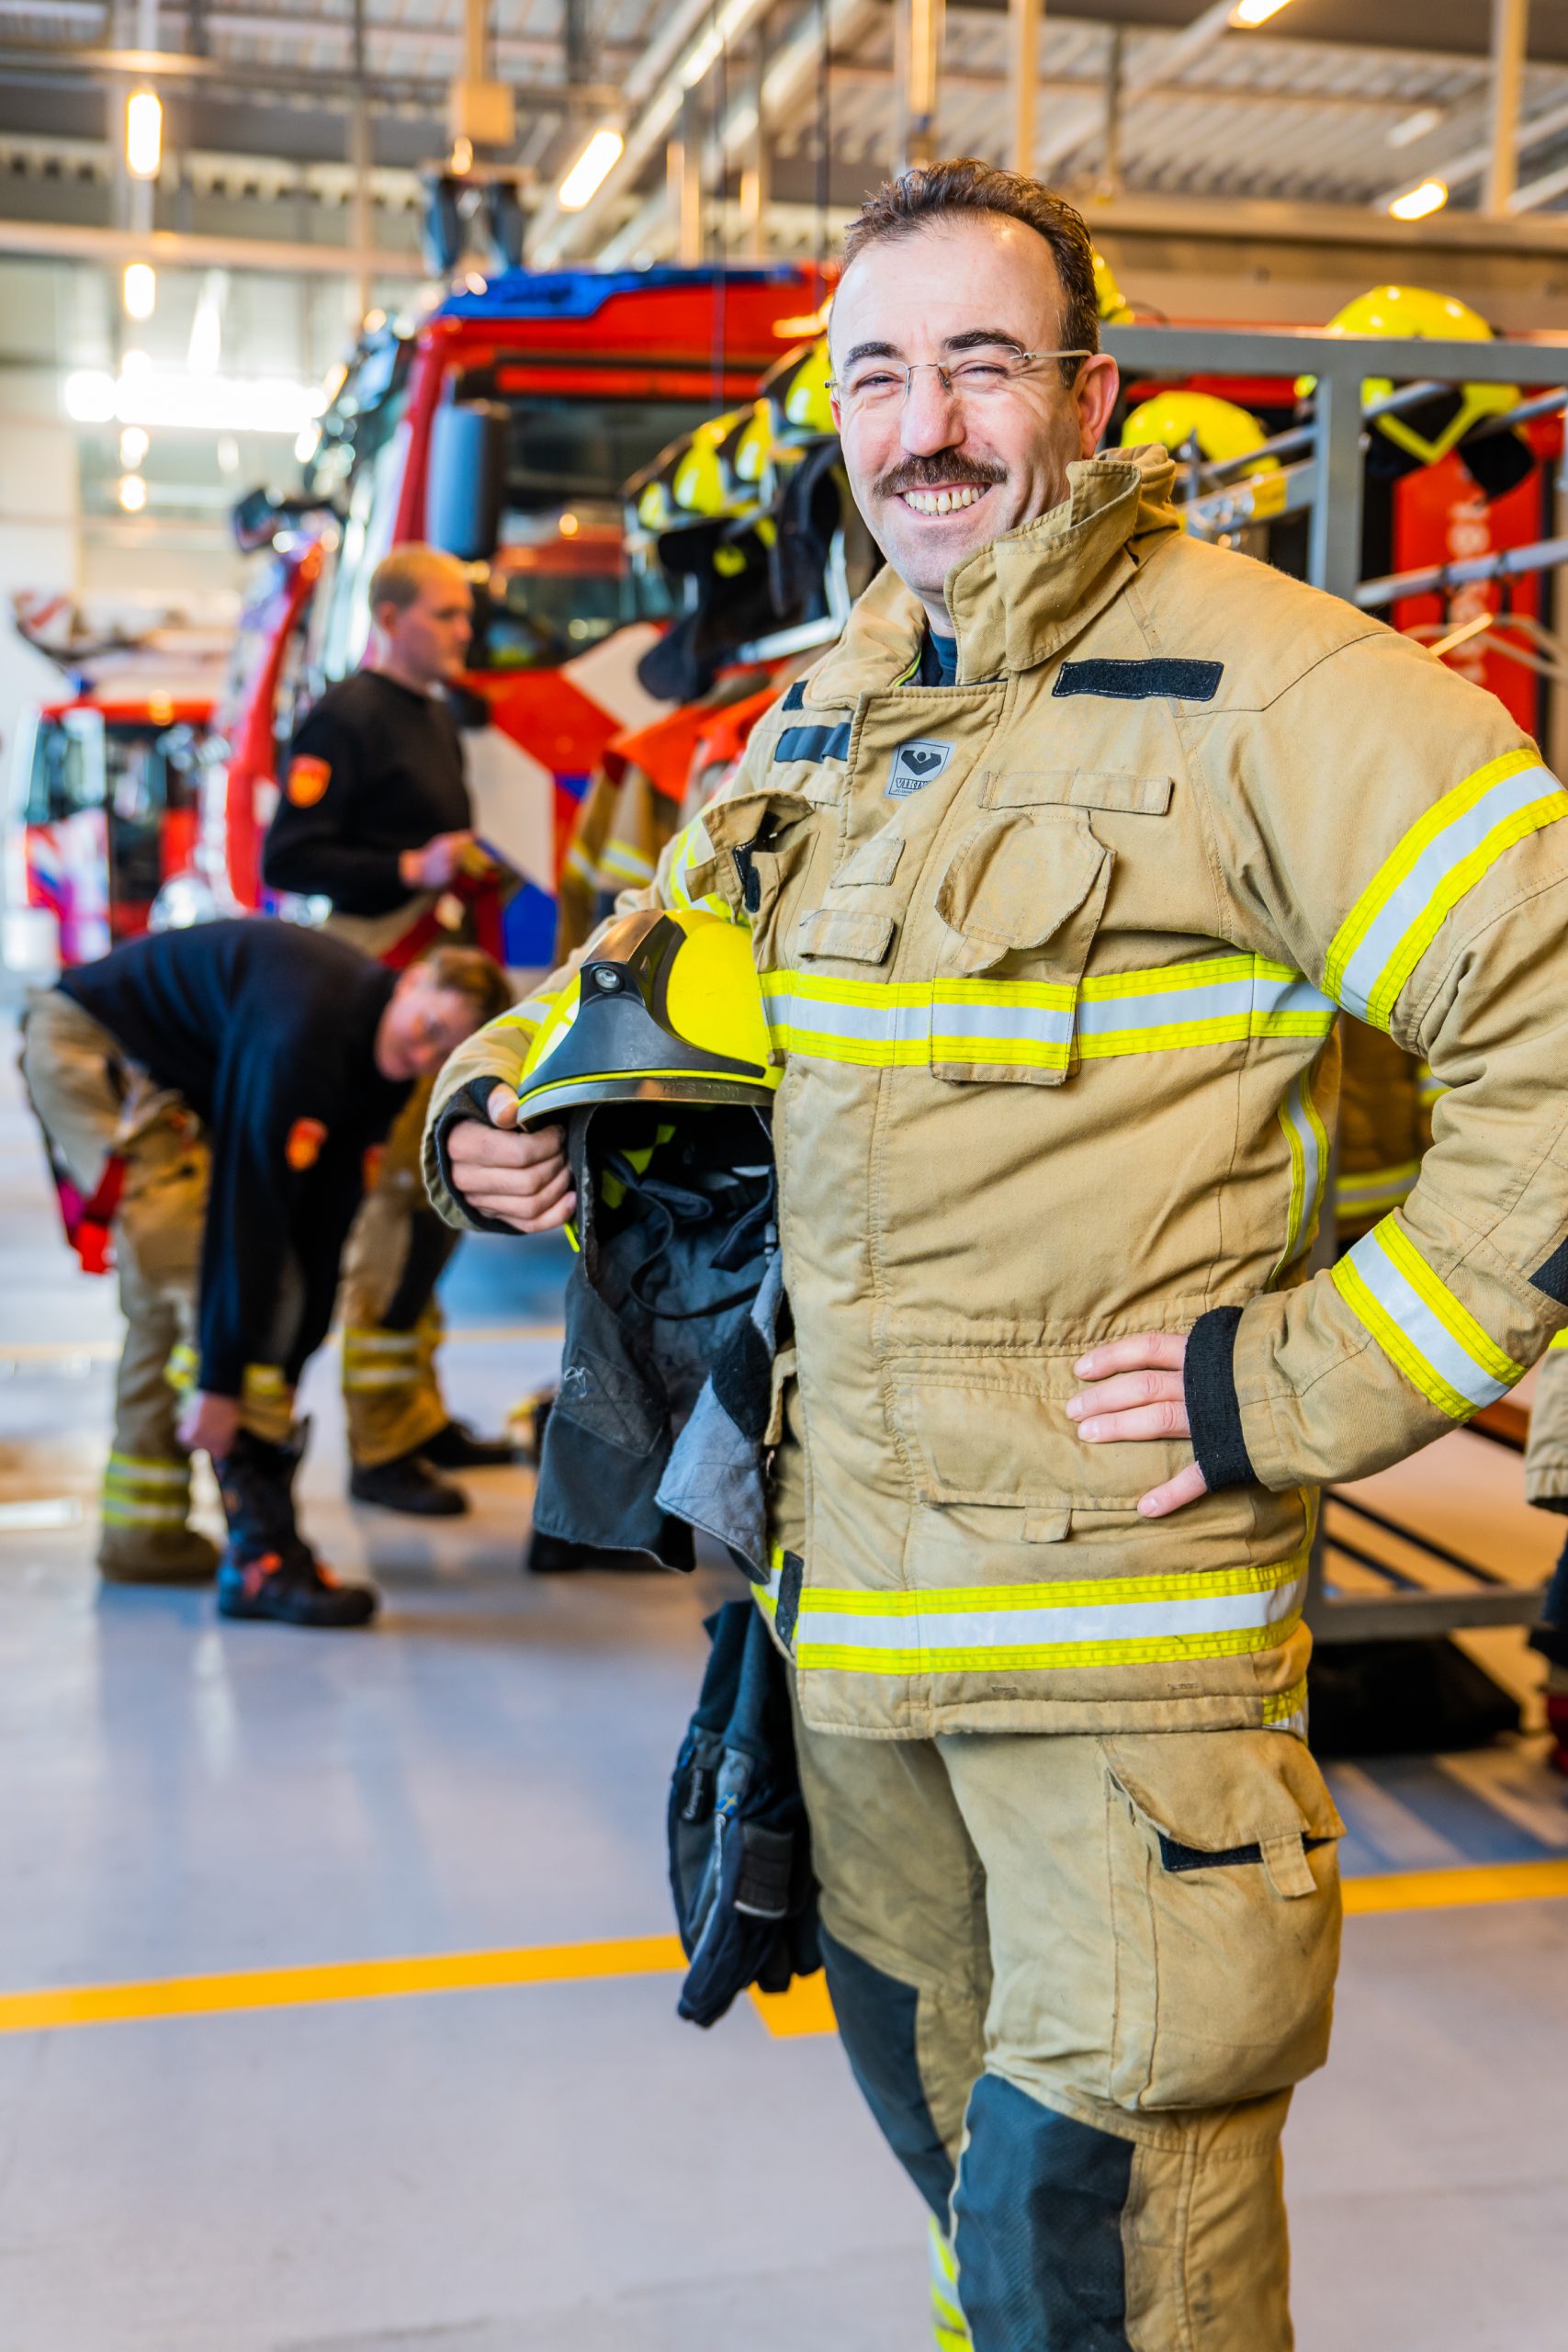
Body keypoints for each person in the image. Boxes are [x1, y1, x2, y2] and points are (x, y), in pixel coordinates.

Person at [422, 161, 1568, 2348]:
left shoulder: (1279, 692)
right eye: (876, 371)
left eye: (977, 360)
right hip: (847, 1633)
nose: (921, 419)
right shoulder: (832, 711)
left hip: (1117, 1666)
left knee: (1105, 2232)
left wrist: (1304, 1379)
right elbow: (640, 987)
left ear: (1085, 387)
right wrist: (499, 1108)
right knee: (961, 2188)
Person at [22, 919, 509, 1626]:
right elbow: (249, 1207)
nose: (426, 1050)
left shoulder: (379, 1069)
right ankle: (263, 1558)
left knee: (185, 1300)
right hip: (92, 1049)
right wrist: (225, 1382)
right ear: (409, 982)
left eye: (446, 1047)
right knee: (196, 1268)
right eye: (428, 1023)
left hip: (160, 1067)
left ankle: (143, 1534)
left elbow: (324, 1226)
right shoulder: (305, 1028)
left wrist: (288, 1367)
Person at [264, 544, 515, 1518]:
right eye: (447, 616)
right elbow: (292, 850)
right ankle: (378, 1440)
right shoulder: (346, 715)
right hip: (384, 989)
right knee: (384, 1211)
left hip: (434, 982)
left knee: (430, 1202)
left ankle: (414, 1413)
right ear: (394, 617)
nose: (463, 632)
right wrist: (413, 865)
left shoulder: (431, 716)